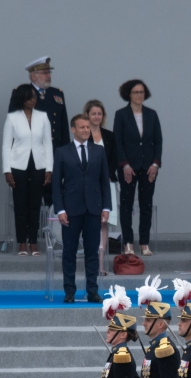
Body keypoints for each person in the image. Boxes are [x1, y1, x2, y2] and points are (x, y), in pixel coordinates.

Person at [52, 114, 111, 304]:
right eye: (82, 127)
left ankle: (92, 290)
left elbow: (104, 181)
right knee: (69, 253)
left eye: (88, 127)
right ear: (73, 129)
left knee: (92, 252)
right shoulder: (62, 152)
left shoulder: (99, 151)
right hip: (71, 210)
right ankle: (69, 291)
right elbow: (55, 184)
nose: (86, 130)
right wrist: (60, 210)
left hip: (93, 208)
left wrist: (106, 207)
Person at [8, 56, 69, 206]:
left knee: (52, 197)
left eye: (49, 73)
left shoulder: (57, 94)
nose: (49, 76)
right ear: (33, 76)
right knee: (30, 200)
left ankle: (47, 230)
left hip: (53, 154)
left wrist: (66, 154)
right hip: (30, 156)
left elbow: (63, 127)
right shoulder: (21, 94)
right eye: (45, 73)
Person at [2, 84, 53, 256]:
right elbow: (6, 146)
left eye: (34, 97)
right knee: (20, 205)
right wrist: (6, 170)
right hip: (18, 166)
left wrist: (49, 168)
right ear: (21, 98)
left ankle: (33, 242)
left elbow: (48, 144)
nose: (33, 99)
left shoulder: (43, 116)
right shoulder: (12, 118)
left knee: (35, 204)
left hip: (39, 165)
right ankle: (21, 242)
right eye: (29, 96)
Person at [113, 79, 162, 256]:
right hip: (128, 168)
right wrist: (124, 164)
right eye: (135, 92)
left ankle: (144, 243)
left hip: (148, 167)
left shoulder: (152, 114)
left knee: (146, 205)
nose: (139, 95)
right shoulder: (121, 114)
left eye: (141, 92)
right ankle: (128, 243)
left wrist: (156, 163)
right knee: (126, 205)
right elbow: (118, 142)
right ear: (128, 94)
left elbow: (158, 141)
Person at [84, 99, 118, 275]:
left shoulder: (110, 135)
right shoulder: (83, 135)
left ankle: (101, 265)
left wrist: (104, 175)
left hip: (106, 184)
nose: (96, 117)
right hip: (88, 186)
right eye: (93, 113)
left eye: (99, 113)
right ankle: (90, 263)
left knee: (103, 224)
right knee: (90, 223)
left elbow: (114, 160)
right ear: (87, 116)